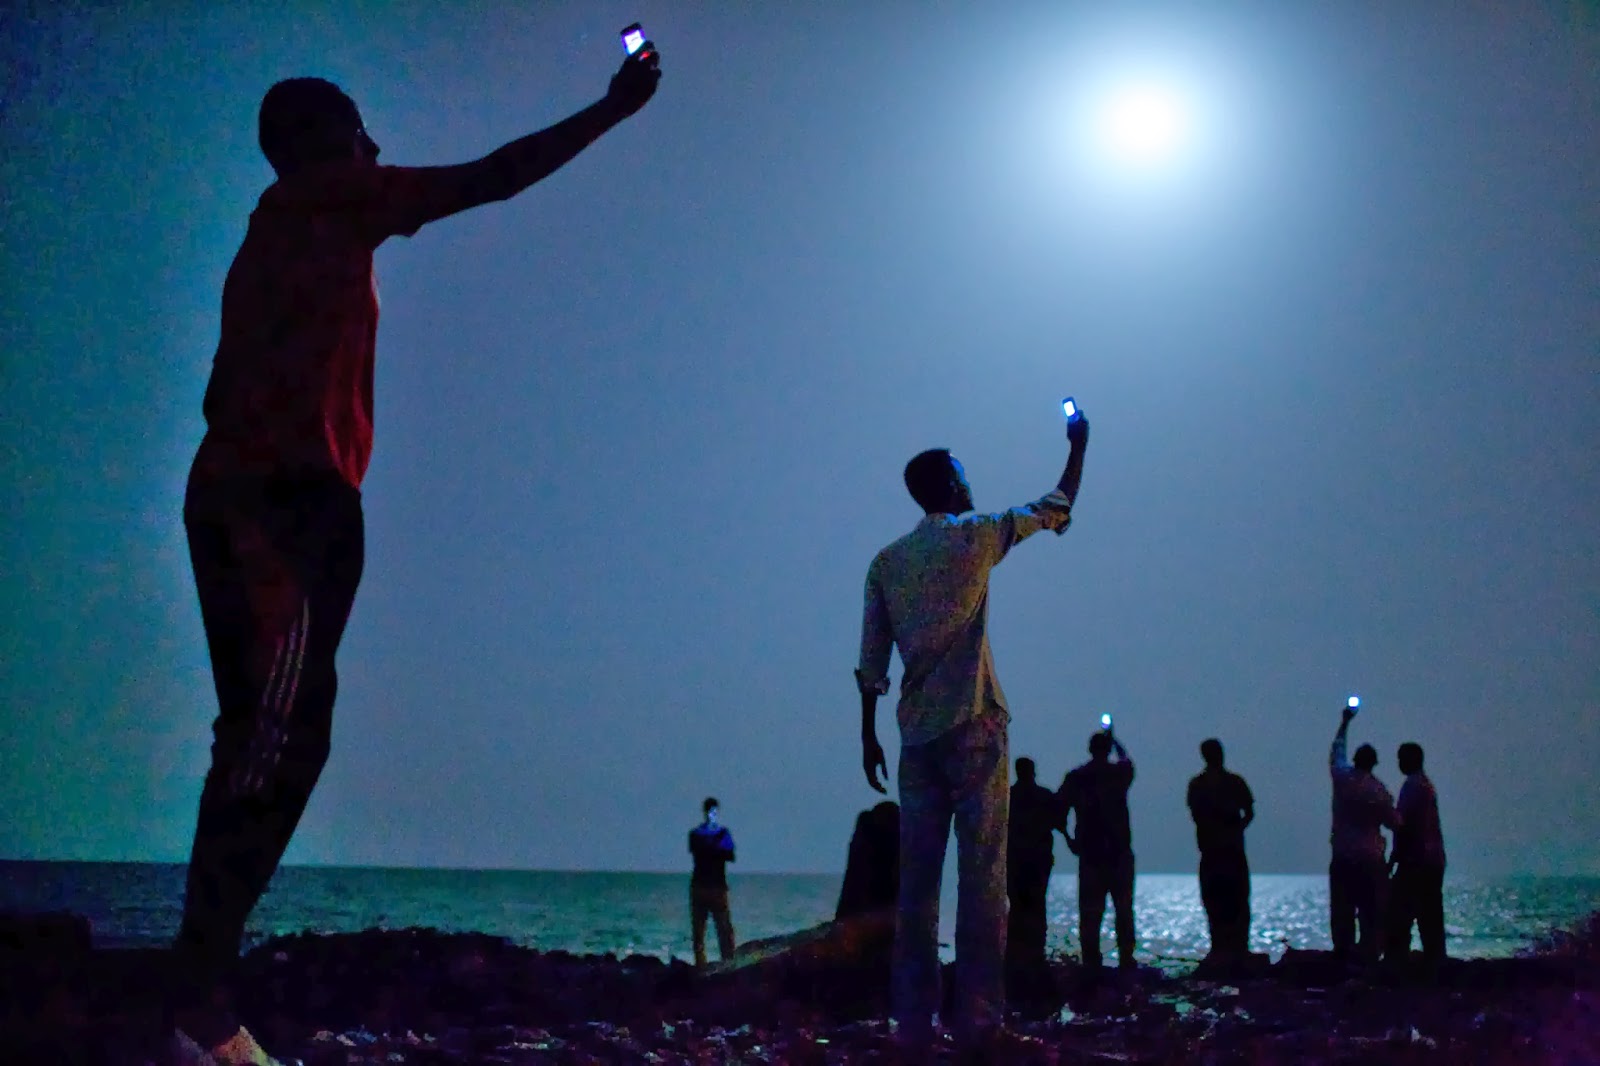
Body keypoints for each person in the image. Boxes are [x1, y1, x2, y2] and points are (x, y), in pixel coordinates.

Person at [170, 45, 662, 1066]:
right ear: (322, 142)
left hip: (250, 495)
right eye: (361, 127)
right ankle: (195, 1002)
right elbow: (489, 176)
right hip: (286, 503)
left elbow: (216, 393)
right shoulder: (322, 203)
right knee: (277, 736)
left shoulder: (273, 242)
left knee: (265, 735)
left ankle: (200, 992)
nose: (377, 145)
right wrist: (609, 112)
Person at [855, 413, 1090, 1048]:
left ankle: (912, 1024)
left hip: (915, 735)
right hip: (976, 723)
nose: (970, 486)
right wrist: (1079, 446)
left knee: (917, 886)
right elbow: (1056, 505)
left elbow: (871, 667)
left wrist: (868, 737)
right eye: (963, 478)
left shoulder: (887, 562)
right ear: (951, 489)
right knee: (984, 877)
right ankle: (980, 1020)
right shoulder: (976, 537)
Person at [1059, 726, 1137, 973]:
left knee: (1091, 913)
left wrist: (1070, 840)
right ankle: (1125, 959)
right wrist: (1116, 741)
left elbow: (1057, 809)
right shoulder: (1117, 774)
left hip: (1092, 854)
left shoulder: (1077, 777)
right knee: (1123, 910)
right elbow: (1127, 762)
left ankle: (1091, 962)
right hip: (1117, 853)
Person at [1328, 704, 1400, 965]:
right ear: (1373, 764)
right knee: (1371, 911)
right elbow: (1395, 823)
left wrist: (1345, 722)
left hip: (1343, 855)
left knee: (1342, 911)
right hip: (1370, 857)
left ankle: (1343, 954)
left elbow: (1336, 751)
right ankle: (1369, 956)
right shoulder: (1378, 790)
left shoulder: (1342, 778)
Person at [1185, 738, 1255, 961]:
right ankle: (1224, 950)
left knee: (1231, 903)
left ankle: (1234, 950)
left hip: (1223, 852)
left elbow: (1248, 811)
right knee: (1220, 903)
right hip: (1218, 852)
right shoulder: (1219, 783)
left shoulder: (1206, 784)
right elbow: (1249, 812)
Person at [1006, 757, 1069, 993]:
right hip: (1035, 860)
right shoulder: (1042, 796)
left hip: (1019, 861)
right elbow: (1059, 822)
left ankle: (1019, 954)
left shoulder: (1009, 795)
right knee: (1035, 907)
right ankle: (1032, 954)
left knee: (1018, 908)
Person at [1387, 741, 1447, 964]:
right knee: (1430, 914)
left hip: (1417, 860)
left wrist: (1394, 859)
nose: (1399, 763)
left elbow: (1403, 825)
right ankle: (1435, 959)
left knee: (1400, 914)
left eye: (1402, 758)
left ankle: (1398, 961)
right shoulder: (1425, 785)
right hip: (1431, 859)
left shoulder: (1413, 786)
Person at [689, 797, 738, 967]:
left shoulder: (722, 833)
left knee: (723, 928)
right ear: (705, 813)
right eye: (711, 812)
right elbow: (701, 851)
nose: (713, 816)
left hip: (716, 886)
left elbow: (731, 855)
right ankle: (701, 964)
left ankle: (728, 962)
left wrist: (714, 848)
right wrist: (717, 848)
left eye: (715, 812)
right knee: (699, 930)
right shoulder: (697, 834)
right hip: (702, 886)